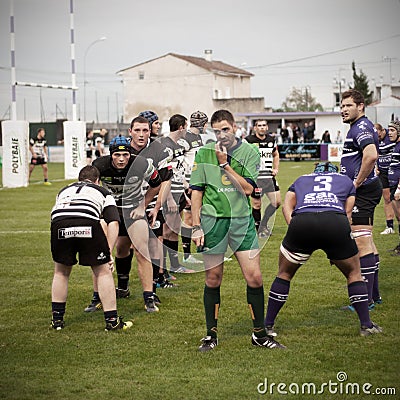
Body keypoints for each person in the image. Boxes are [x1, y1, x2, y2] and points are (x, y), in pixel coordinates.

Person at [190, 109, 284, 351]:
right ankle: (211, 335)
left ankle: (259, 334)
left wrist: (226, 167)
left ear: (234, 127)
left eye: (226, 129)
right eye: (217, 130)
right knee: (213, 278)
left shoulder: (249, 152)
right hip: (213, 222)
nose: (222, 135)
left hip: (242, 222)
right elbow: (197, 191)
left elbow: (248, 189)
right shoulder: (204, 153)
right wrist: (196, 225)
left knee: (254, 278)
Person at [264, 162, 382, 342]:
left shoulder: (301, 179)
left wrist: (294, 227)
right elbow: (347, 213)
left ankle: (268, 324)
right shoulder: (345, 180)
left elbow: (287, 206)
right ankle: (366, 325)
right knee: (353, 273)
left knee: (284, 274)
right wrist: (337, 248)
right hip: (335, 221)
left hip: (302, 221)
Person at [50, 165, 133, 331]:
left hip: (59, 224)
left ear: (79, 180)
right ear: (98, 181)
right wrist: (108, 252)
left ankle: (57, 321)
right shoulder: (103, 192)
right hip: (87, 221)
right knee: (103, 271)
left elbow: (56, 214)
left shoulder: (64, 190)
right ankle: (112, 321)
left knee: (61, 272)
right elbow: (113, 222)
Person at [85, 135, 162, 313]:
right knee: (106, 252)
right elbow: (88, 187)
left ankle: (149, 297)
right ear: (110, 155)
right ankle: (98, 297)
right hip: (111, 210)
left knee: (142, 251)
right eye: (117, 156)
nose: (121, 159)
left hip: (133, 210)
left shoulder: (141, 163)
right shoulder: (99, 165)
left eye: (125, 155)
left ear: (130, 154)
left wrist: (143, 205)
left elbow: (157, 184)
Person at [340, 89, 382, 310]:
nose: (343, 109)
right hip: (368, 189)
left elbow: (371, 155)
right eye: (342, 105)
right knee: (368, 241)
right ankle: (374, 295)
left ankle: (365, 299)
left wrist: (355, 183)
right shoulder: (358, 127)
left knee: (361, 242)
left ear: (361, 106)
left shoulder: (362, 127)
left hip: (363, 191)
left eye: (348, 105)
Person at [129, 115, 176, 288]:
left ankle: (158, 279)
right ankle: (123, 284)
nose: (141, 134)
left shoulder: (159, 150)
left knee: (156, 241)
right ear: (130, 132)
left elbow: (166, 180)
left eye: (145, 130)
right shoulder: (123, 149)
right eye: (137, 130)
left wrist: (156, 207)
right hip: (129, 202)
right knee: (124, 245)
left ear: (150, 131)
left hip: (152, 199)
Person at [160, 114, 195, 274]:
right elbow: (164, 176)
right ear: (181, 127)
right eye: (186, 127)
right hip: (170, 195)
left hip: (178, 193)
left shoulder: (178, 145)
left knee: (173, 230)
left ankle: (172, 266)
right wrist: (169, 199)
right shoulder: (165, 146)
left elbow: (178, 172)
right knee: (168, 231)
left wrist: (184, 193)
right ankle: (168, 268)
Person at [245, 119, 281, 237]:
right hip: (256, 179)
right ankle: (259, 230)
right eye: (259, 125)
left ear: (267, 127)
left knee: (276, 202)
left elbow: (275, 154)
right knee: (257, 205)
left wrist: (275, 168)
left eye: (264, 125)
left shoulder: (271, 140)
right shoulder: (248, 141)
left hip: (269, 177)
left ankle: (263, 224)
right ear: (255, 128)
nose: (262, 127)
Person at [181, 111, 207, 265]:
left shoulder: (197, 138)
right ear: (204, 124)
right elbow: (178, 161)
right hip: (190, 185)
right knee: (189, 218)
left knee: (200, 216)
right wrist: (185, 184)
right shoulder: (185, 138)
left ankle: (202, 248)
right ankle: (186, 255)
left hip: (198, 182)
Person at [375, 123, 396, 234]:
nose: (377, 137)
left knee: (396, 198)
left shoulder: (392, 136)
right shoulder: (375, 139)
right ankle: (389, 227)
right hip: (383, 173)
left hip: (395, 172)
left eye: (378, 135)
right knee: (387, 199)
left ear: (383, 130)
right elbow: (374, 154)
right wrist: (376, 167)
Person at [387, 120, 400, 255]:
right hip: (393, 185)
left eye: (392, 130)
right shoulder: (395, 146)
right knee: (398, 218)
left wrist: (399, 189)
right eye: (389, 130)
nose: (389, 133)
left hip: (398, 187)